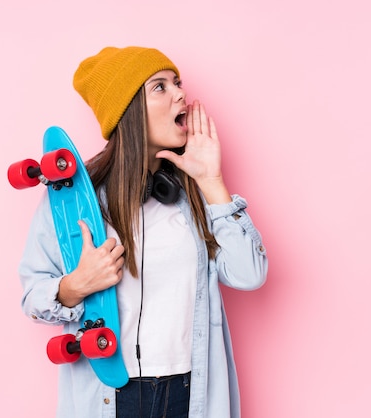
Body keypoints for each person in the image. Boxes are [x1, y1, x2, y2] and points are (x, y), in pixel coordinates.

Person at [18, 46, 268, 418]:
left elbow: (250, 275)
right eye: (160, 87)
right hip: (112, 396)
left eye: (177, 82)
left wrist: (212, 181)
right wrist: (76, 286)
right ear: (128, 111)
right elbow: (32, 296)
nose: (181, 93)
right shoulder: (72, 202)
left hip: (188, 392)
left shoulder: (194, 197)